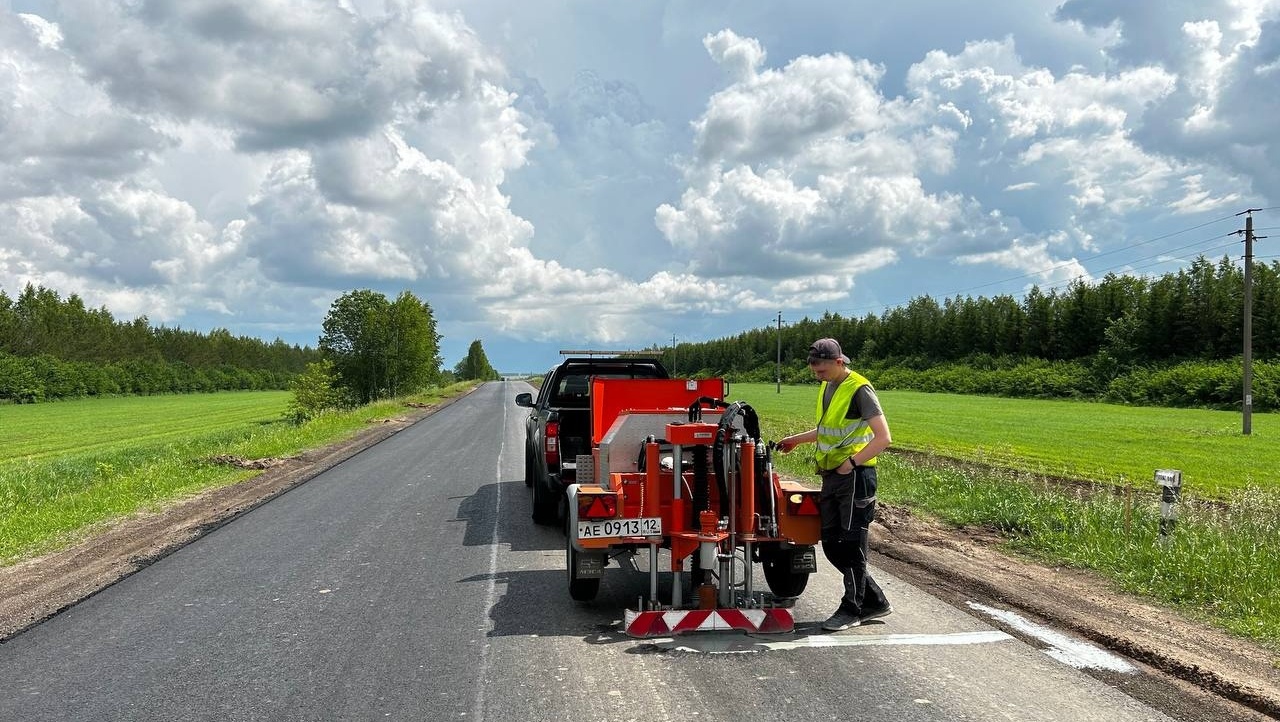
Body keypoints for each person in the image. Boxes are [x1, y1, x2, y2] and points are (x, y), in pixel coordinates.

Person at [776, 338, 893, 631]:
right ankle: (874, 599)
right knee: (830, 543)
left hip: (855, 477)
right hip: (832, 476)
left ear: (839, 362)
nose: (818, 376)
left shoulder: (860, 389)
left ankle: (852, 608)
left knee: (852, 546)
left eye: (822, 370)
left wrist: (851, 463)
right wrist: (796, 440)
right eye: (815, 372)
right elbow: (827, 430)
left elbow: (883, 437)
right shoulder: (828, 387)